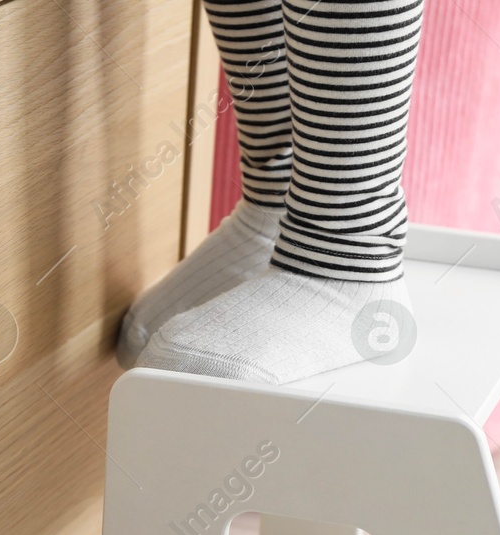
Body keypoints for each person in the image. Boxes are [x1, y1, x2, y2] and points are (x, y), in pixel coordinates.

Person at [120, 0, 425, 384]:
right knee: (277, 187)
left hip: (349, 253)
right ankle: (281, 208)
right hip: (279, 208)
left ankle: (348, 251)